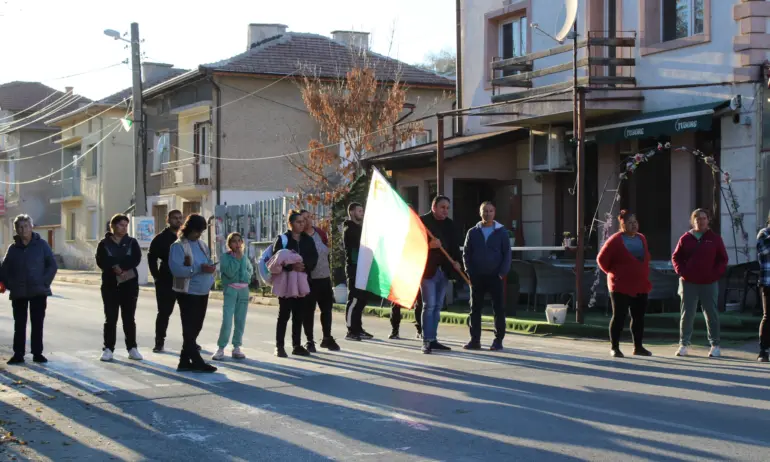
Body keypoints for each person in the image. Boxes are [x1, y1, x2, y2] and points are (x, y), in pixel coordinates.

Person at [1, 215, 57, 364]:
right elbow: (4, 268)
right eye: (19, 227)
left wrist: (44, 282)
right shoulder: (13, 248)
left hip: (38, 291)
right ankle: (18, 354)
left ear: (31, 227)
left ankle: (37, 353)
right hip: (19, 292)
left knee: (37, 323)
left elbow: (52, 265)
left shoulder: (42, 245)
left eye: (26, 226)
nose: (23, 229)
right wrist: (9, 284)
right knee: (19, 324)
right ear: (16, 229)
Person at [672, 208, 728, 358]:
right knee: (687, 313)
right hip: (689, 282)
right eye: (697, 218)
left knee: (711, 313)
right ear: (693, 221)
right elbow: (676, 257)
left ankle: (715, 345)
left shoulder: (715, 239)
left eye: (703, 218)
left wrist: (715, 274)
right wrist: (682, 272)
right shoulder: (685, 238)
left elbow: (723, 259)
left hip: (709, 283)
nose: (700, 221)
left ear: (708, 220)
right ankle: (684, 344)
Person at [596, 210, 652, 358]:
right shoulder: (615, 240)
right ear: (622, 225)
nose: (634, 225)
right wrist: (613, 273)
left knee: (638, 317)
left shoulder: (642, 238)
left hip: (640, 284)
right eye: (630, 223)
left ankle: (638, 347)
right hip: (620, 285)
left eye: (635, 222)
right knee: (619, 316)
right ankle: (615, 347)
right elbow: (601, 260)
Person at [168, 214, 217, 372]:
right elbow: (177, 270)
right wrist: (198, 269)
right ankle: (196, 360)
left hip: (202, 291)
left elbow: (206, 261)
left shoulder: (202, 245)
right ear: (188, 229)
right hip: (188, 292)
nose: (198, 235)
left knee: (197, 326)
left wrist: (210, 267)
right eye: (196, 231)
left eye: (201, 232)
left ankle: (184, 361)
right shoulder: (178, 246)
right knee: (189, 327)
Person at [462, 201, 512, 351]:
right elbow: (466, 253)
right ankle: (475, 340)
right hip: (477, 276)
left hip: (495, 276)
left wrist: (502, 273)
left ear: (494, 213)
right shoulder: (473, 232)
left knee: (498, 309)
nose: (488, 213)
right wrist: (469, 271)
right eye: (485, 211)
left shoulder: (502, 232)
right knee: (475, 309)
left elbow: (507, 255)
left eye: (490, 211)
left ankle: (498, 341)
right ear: (480, 213)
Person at [96, 214, 143, 362]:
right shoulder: (104, 243)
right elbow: (101, 260)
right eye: (121, 225)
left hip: (129, 284)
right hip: (110, 284)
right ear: (114, 226)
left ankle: (132, 348)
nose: (123, 228)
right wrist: (113, 267)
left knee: (129, 317)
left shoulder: (131, 242)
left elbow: (136, 258)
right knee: (110, 318)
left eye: (126, 225)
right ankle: (108, 348)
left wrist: (122, 268)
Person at [420, 195, 463, 354]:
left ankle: (433, 339)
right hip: (427, 270)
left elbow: (454, 247)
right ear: (434, 207)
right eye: (442, 207)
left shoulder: (450, 225)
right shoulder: (422, 222)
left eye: (447, 208)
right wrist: (429, 245)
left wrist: (457, 262)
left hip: (443, 270)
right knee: (429, 305)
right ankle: (426, 340)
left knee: (438, 306)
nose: (445, 210)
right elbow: (413, 245)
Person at [273, 211, 318, 357]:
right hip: (286, 282)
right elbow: (276, 258)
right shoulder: (283, 239)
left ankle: (297, 345)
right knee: (284, 314)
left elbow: (313, 257)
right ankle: (279, 346)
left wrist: (305, 266)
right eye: (298, 222)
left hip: (302, 281)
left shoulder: (308, 240)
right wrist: (291, 267)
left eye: (303, 221)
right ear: (290, 224)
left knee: (299, 314)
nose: (302, 224)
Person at [300, 210, 340, 352]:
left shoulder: (320, 233)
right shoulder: (300, 238)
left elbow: (327, 252)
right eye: (304, 219)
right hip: (309, 280)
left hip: (324, 278)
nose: (308, 221)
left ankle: (327, 338)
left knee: (327, 310)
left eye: (309, 217)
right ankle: (309, 340)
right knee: (308, 311)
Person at [213, 232, 254, 361]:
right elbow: (229, 273)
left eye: (239, 241)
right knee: (227, 320)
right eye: (234, 241)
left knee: (240, 321)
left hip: (243, 291)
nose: (237, 244)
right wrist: (237, 259)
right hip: (230, 290)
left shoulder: (244, 257)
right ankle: (221, 348)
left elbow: (249, 272)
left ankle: (236, 347)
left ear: (242, 243)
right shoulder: (226, 257)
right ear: (229, 244)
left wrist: (242, 263)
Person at [148, 209, 184, 352]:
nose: (178, 220)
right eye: (175, 218)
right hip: (165, 280)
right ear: (168, 220)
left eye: (180, 218)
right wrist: (156, 276)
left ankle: (190, 341)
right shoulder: (160, 238)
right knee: (164, 312)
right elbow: (152, 258)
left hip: (182, 278)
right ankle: (159, 342)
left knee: (186, 312)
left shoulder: (185, 237)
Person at [343, 202, 373, 341]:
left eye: (362, 210)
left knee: (362, 299)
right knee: (354, 299)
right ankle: (350, 330)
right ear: (352, 212)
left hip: (363, 267)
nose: (362, 212)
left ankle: (358, 328)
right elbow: (359, 245)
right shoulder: (349, 228)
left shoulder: (360, 228)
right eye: (359, 210)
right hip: (354, 267)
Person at [755, 213, 770, 362]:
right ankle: (763, 351)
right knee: (768, 316)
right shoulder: (764, 233)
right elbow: (764, 250)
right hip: (768, 282)